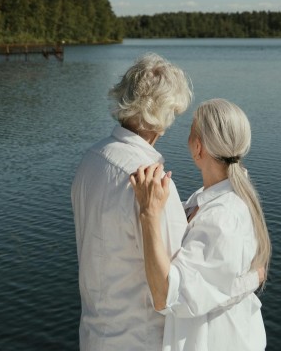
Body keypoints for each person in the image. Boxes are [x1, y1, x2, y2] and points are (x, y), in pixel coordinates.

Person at [71, 53, 193, 350]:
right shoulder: (151, 181)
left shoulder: (90, 161)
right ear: (161, 116)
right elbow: (173, 281)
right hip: (140, 339)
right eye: (174, 112)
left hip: (94, 335)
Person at [131, 98, 270, 351]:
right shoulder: (212, 199)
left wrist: (148, 213)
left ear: (198, 148)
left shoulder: (222, 218)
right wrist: (251, 280)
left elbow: (165, 297)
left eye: (190, 131)